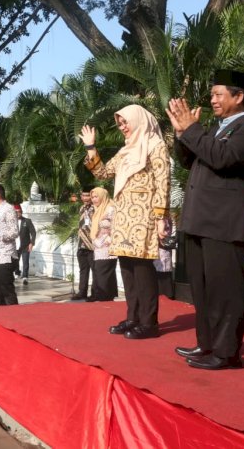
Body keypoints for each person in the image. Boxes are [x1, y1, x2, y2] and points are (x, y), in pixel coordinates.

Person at [167, 69, 244, 369]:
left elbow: (223, 158)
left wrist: (193, 130)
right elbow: (189, 160)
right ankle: (206, 344)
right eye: (211, 94)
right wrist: (181, 133)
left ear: (239, 96)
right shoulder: (215, 129)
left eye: (219, 94)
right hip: (199, 219)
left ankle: (226, 353)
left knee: (226, 290)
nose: (212, 99)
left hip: (225, 222)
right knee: (202, 289)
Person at [81, 104, 171, 339]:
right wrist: (91, 147)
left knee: (142, 269)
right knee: (127, 269)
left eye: (125, 122)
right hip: (122, 217)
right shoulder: (125, 151)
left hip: (144, 215)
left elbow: (163, 182)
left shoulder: (155, 145)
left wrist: (161, 217)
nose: (122, 127)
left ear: (138, 119)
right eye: (119, 123)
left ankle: (149, 322)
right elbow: (102, 173)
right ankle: (133, 317)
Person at [87, 187, 118, 302]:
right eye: (93, 197)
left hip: (108, 246)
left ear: (103, 196)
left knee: (103, 271)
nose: (94, 199)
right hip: (98, 246)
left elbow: (116, 225)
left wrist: (110, 239)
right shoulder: (98, 209)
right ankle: (104, 295)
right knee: (100, 271)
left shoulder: (110, 208)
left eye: (96, 196)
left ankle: (104, 295)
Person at [72, 189, 95, 300]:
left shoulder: (95, 208)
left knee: (95, 270)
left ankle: (95, 292)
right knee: (83, 269)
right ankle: (82, 292)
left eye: (87, 196)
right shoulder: (81, 208)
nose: (85, 198)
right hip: (81, 244)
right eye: (83, 196)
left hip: (92, 245)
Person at [14, 204, 36, 285]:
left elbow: (33, 232)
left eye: (19, 212)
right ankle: (17, 273)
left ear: (21, 212)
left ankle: (25, 277)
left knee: (25, 262)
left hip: (25, 245)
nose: (17, 214)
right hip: (15, 245)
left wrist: (32, 243)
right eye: (16, 212)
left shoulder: (27, 221)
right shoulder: (12, 222)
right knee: (15, 261)